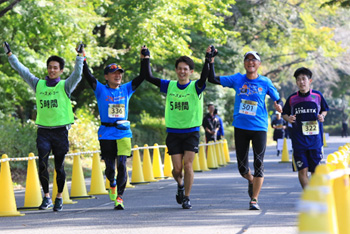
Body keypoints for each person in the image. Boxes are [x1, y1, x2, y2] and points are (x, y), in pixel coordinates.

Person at [3, 41, 84, 212]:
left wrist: (79, 56)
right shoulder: (38, 84)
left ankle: (59, 197)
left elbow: (77, 74)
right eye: (50, 67)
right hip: (44, 131)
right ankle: (46, 197)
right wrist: (11, 56)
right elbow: (23, 71)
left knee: (59, 167)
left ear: (61, 70)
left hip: (61, 131)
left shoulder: (65, 86)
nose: (52, 70)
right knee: (42, 163)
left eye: (55, 67)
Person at [208, 47, 283, 210]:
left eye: (253, 59)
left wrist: (279, 106)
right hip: (241, 127)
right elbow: (212, 79)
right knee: (242, 168)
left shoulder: (265, 82)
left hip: (259, 127)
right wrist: (210, 60)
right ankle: (250, 180)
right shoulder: (237, 79)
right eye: (248, 59)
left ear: (259, 64)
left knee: (259, 163)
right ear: (244, 63)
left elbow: (278, 99)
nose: (250, 62)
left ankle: (254, 199)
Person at [144, 46, 211, 209]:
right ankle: (180, 184)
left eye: (185, 69)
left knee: (188, 165)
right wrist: (145, 58)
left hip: (192, 132)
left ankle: (187, 197)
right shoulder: (170, 86)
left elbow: (205, 76)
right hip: (173, 132)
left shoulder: (196, 86)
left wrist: (208, 58)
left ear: (191, 71)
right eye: (180, 69)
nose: (182, 72)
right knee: (177, 169)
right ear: (176, 70)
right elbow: (148, 76)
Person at [82, 46, 147, 210]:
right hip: (106, 132)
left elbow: (143, 76)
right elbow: (88, 76)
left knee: (122, 164)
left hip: (123, 132)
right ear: (106, 76)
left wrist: (145, 59)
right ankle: (112, 183)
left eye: (120, 73)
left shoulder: (126, 89)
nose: (118, 75)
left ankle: (120, 197)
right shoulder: (100, 89)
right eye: (114, 73)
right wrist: (82, 57)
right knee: (110, 167)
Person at [282, 67, 329, 189]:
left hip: (315, 141)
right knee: (302, 170)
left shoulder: (317, 96)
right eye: (298, 80)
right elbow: (284, 113)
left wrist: (322, 116)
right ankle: (309, 196)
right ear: (296, 82)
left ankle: (314, 195)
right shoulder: (292, 98)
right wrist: (289, 118)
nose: (301, 82)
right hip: (299, 140)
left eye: (304, 79)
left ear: (310, 80)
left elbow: (325, 109)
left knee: (315, 171)